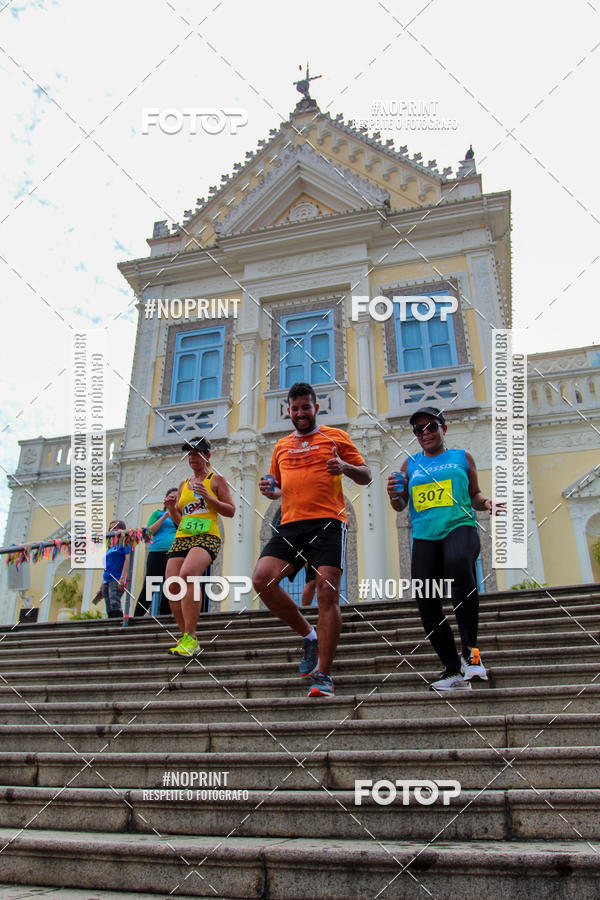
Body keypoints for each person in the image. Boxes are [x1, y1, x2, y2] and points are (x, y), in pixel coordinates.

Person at [252, 382, 371, 698]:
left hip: (329, 522)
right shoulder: (281, 446)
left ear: (316, 408)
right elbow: (279, 487)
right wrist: (271, 491)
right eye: (295, 408)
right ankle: (309, 635)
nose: (300, 413)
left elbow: (366, 474)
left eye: (306, 407)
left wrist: (344, 466)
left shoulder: (336, 437)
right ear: (288, 410)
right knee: (262, 579)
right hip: (290, 524)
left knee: (325, 593)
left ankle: (323, 675)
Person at [387, 407, 499, 691]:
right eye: (418, 429)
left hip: (459, 526)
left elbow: (474, 494)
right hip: (425, 537)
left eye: (431, 426)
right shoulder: (409, 464)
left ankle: (472, 657)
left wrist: (486, 503)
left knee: (460, 563)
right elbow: (401, 506)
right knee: (426, 600)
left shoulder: (462, 457)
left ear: (443, 429)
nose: (425, 432)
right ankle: (452, 669)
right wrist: (393, 495)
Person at [165, 437, 235, 656]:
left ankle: (192, 636)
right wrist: (171, 509)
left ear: (207, 456)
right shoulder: (183, 484)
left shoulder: (217, 480)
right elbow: (180, 520)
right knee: (172, 586)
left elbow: (230, 510)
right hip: (184, 536)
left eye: (197, 453)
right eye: (190, 453)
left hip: (207, 535)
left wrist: (209, 498)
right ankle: (186, 636)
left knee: (187, 575)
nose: (193, 457)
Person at [133, 488, 178, 618]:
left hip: (175, 553)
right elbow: (149, 532)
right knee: (150, 584)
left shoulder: (181, 515)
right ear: (165, 500)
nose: (173, 499)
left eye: (176, 497)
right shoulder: (158, 513)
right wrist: (165, 516)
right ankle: (137, 616)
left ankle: (165, 616)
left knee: (170, 584)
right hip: (157, 551)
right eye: (170, 497)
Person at [101, 519, 130, 619]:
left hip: (116, 577)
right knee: (108, 604)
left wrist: (122, 578)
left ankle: (118, 624)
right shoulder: (109, 546)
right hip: (106, 579)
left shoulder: (124, 544)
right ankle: (111, 625)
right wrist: (101, 584)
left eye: (115, 528)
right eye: (110, 528)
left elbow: (127, 560)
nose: (112, 530)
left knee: (114, 601)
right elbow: (106, 566)